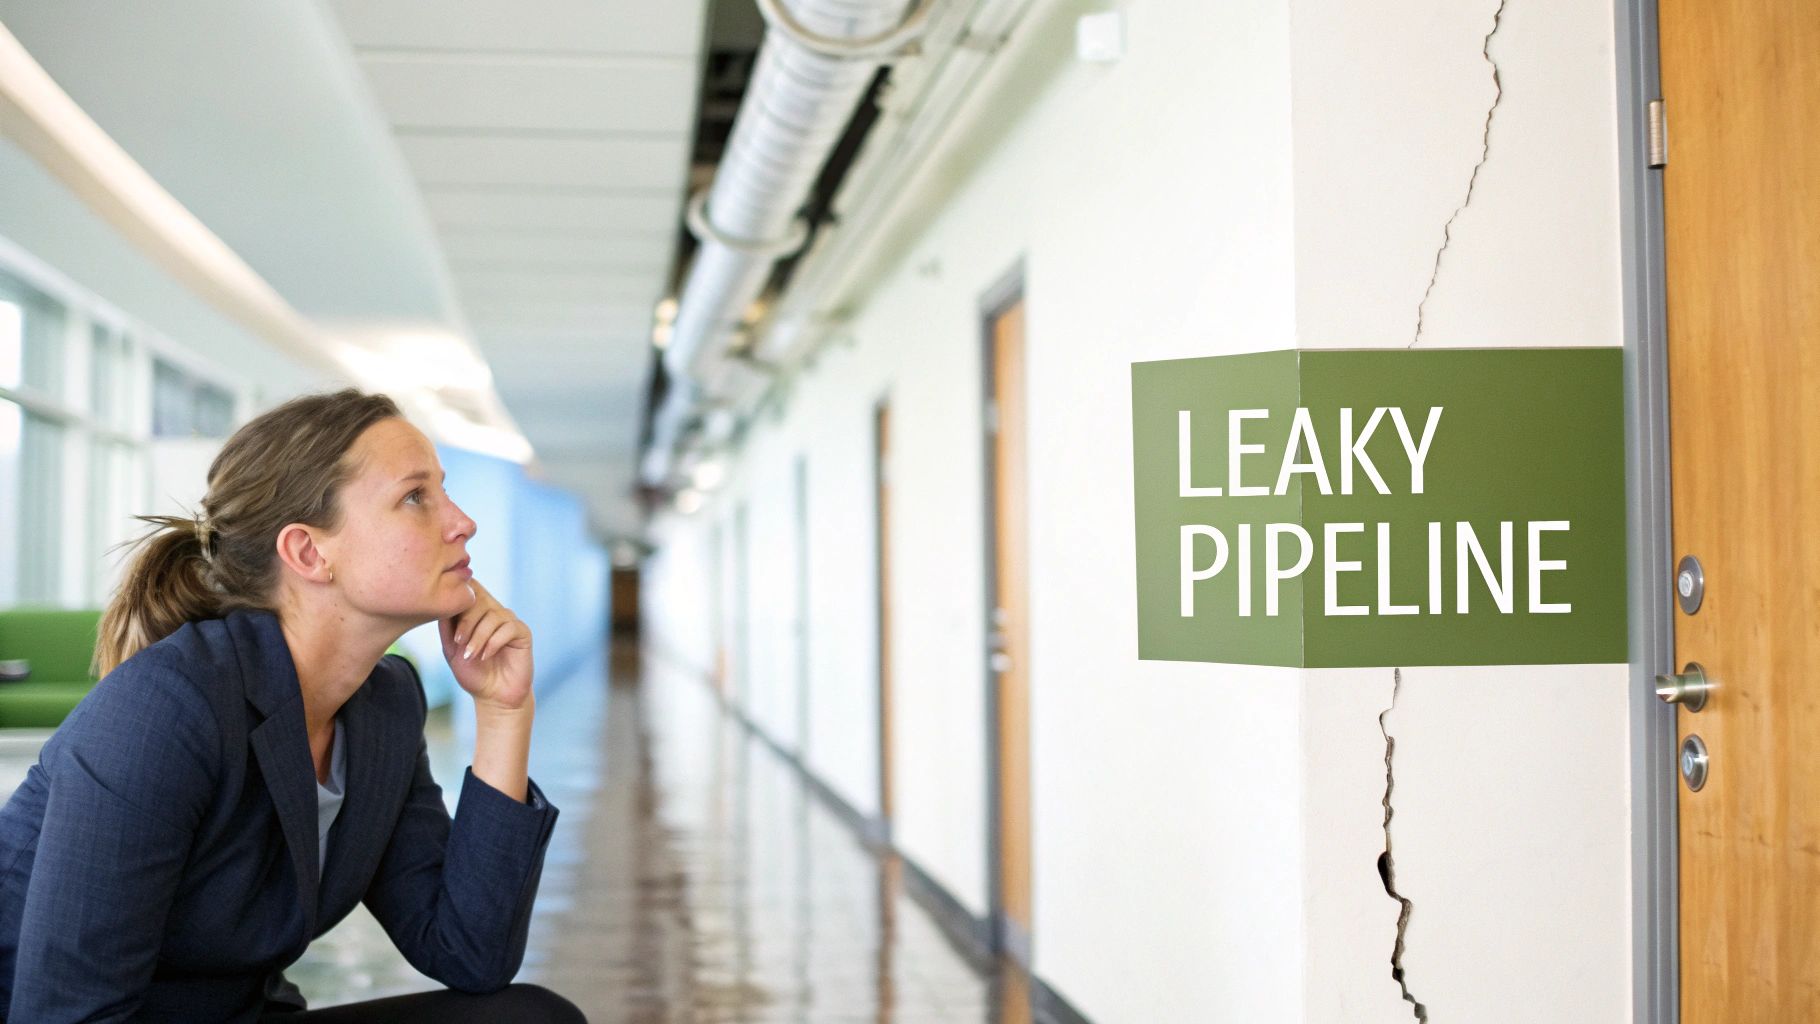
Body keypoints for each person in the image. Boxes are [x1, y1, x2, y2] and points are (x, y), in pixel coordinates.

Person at [0, 389, 586, 1023]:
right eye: (416, 497)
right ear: (309, 552)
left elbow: (470, 952)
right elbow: (65, 1013)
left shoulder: (384, 704)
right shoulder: (167, 707)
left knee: (529, 1017)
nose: (461, 521)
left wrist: (503, 712)